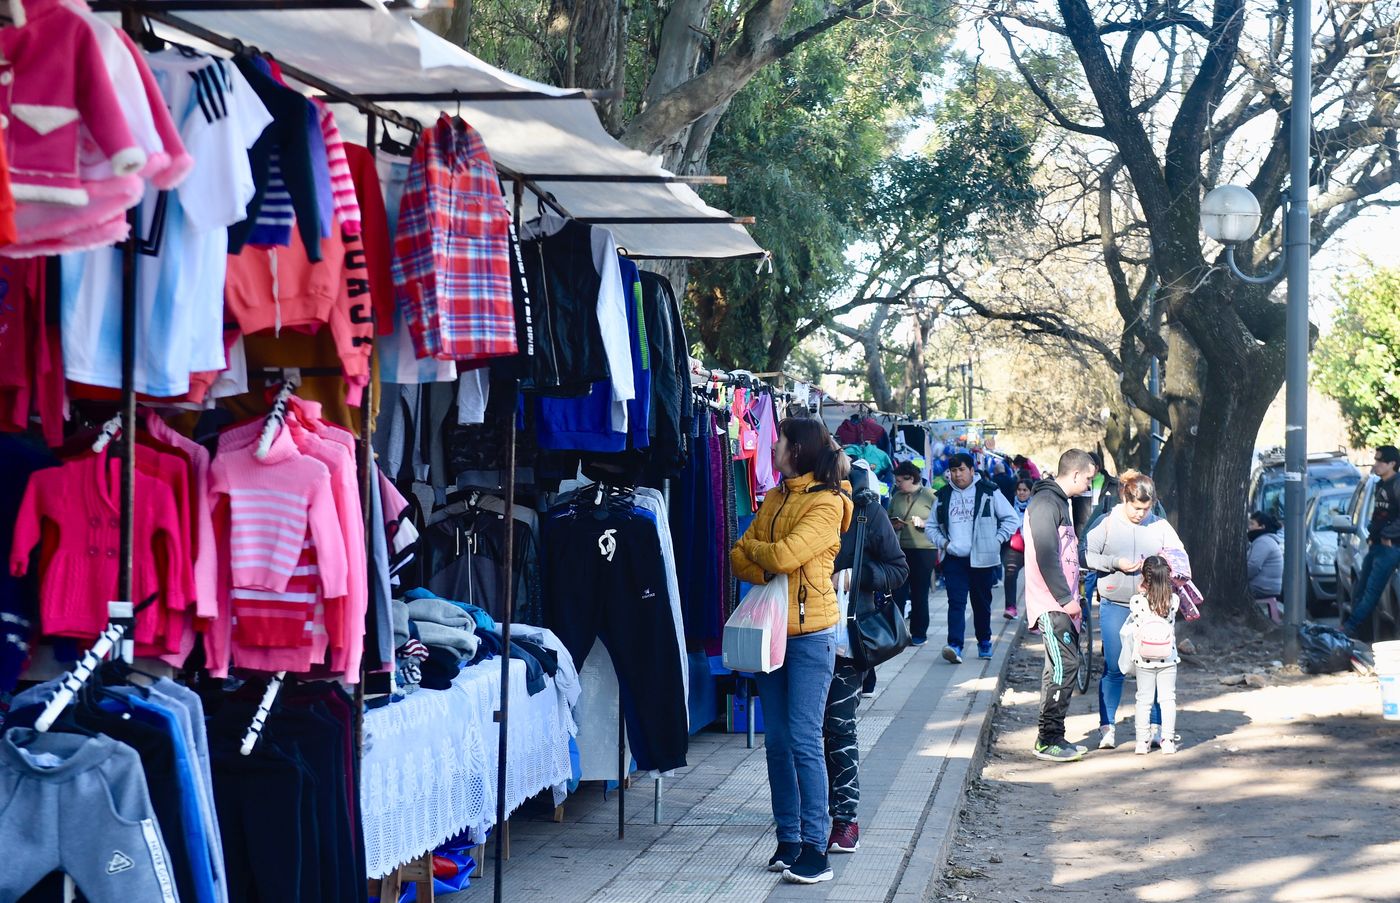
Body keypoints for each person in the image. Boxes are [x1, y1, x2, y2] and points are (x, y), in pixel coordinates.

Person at [731, 417, 853, 885]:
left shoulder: (827, 502)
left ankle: (816, 847)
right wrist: (768, 557)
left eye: (778, 440)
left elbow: (781, 556)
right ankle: (789, 838)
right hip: (770, 633)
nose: (772, 446)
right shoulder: (777, 496)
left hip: (811, 634)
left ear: (796, 449)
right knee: (777, 741)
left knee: (803, 739)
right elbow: (740, 555)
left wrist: (766, 554)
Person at [824, 462, 908, 856]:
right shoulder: (787, 499)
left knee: (839, 727)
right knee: (800, 733)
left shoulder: (866, 510)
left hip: (846, 638)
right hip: (794, 634)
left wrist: (854, 575)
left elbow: (898, 569)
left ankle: (845, 819)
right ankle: (806, 811)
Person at [1082, 470, 1184, 750]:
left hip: (1154, 610)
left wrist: (1163, 566)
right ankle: (1108, 727)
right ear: (1125, 498)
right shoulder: (1106, 523)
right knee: (1114, 666)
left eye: (1146, 509)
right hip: (1115, 603)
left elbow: (1179, 556)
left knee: (1152, 666)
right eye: (1136, 508)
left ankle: (1155, 726)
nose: (1140, 514)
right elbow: (1085, 554)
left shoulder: (1160, 526)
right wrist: (1114, 562)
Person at [1021, 448, 1097, 762]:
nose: (1090, 484)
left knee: (1062, 667)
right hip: (1052, 604)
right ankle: (1047, 738)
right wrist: (1066, 599)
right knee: (1065, 667)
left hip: (1062, 603)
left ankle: (1055, 735)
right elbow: (1045, 553)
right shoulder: (1044, 503)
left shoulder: (1059, 502)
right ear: (1075, 474)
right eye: (1089, 478)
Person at [925, 453, 1019, 664]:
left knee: (981, 604)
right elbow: (930, 527)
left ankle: (984, 641)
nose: (957, 475)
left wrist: (997, 540)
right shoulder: (942, 496)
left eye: (961, 470)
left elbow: (1011, 519)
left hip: (983, 558)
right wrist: (945, 544)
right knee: (956, 603)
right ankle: (955, 645)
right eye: (953, 471)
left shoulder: (988, 491)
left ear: (971, 470)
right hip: (954, 559)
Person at [1344, 445, 1400, 638]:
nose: (1375, 464)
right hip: (1375, 546)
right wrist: (1372, 536)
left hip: (1390, 548)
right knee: (1360, 590)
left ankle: (1349, 629)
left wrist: (1388, 535)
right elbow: (1379, 515)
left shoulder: (1397, 485)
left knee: (1371, 592)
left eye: (1379, 460)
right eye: (1375, 459)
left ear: (1392, 463)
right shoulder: (1379, 485)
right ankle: (1355, 630)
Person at [1128, 556, 1181, 755]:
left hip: (1144, 657)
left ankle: (1142, 742)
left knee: (1143, 700)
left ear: (1145, 577)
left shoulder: (1136, 601)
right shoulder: (1173, 601)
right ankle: (1167, 740)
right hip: (1168, 657)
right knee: (1168, 699)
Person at [890, 460, 938, 645]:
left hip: (924, 550)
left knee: (919, 593)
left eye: (900, 481)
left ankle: (919, 633)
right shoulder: (896, 496)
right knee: (898, 593)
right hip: (900, 550)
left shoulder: (931, 495)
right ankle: (897, 633)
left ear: (912, 479)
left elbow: (941, 521)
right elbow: (888, 517)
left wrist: (925, 524)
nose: (897, 484)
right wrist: (893, 524)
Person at [1002, 477, 1033, 619]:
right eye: (1019, 490)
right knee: (1010, 574)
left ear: (1030, 492)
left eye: (1025, 490)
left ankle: (1033, 615)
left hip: (1032, 546)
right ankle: (1010, 607)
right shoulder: (1007, 506)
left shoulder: (1035, 507)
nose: (1021, 493)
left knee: (1033, 581)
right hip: (1013, 546)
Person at [1247, 510, 1284, 622]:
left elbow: (1253, 567)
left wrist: (1238, 581)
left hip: (1262, 587)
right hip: (1267, 586)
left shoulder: (1263, 542)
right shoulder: (1265, 540)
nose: (1249, 527)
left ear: (1262, 527)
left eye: (1252, 524)